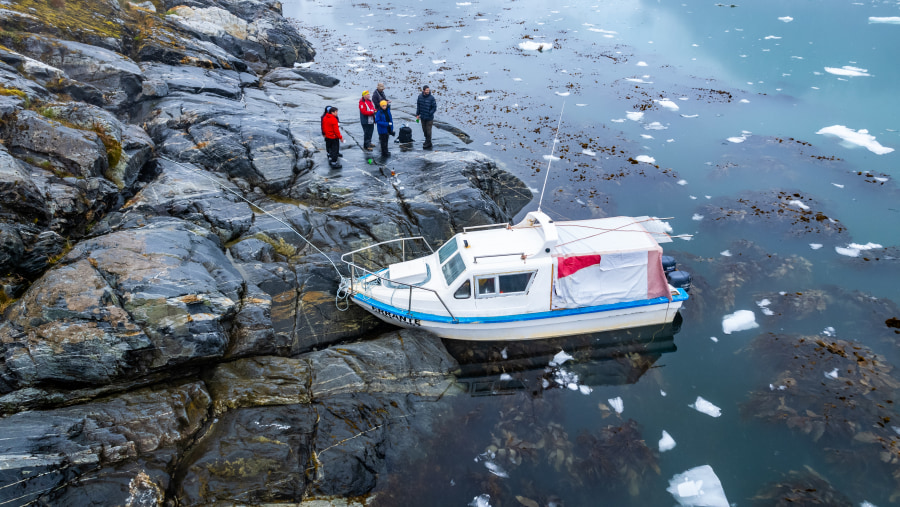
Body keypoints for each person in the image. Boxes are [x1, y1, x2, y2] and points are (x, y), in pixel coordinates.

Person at [415, 85, 437, 149]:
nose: (428, 91)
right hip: (423, 117)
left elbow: (434, 107)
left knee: (428, 130)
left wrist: (430, 113)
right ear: (423, 90)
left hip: (429, 118)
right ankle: (427, 141)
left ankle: (428, 142)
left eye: (428, 90)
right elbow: (418, 106)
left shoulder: (431, 98)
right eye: (426, 90)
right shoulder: (420, 97)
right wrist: (417, 114)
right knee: (424, 130)